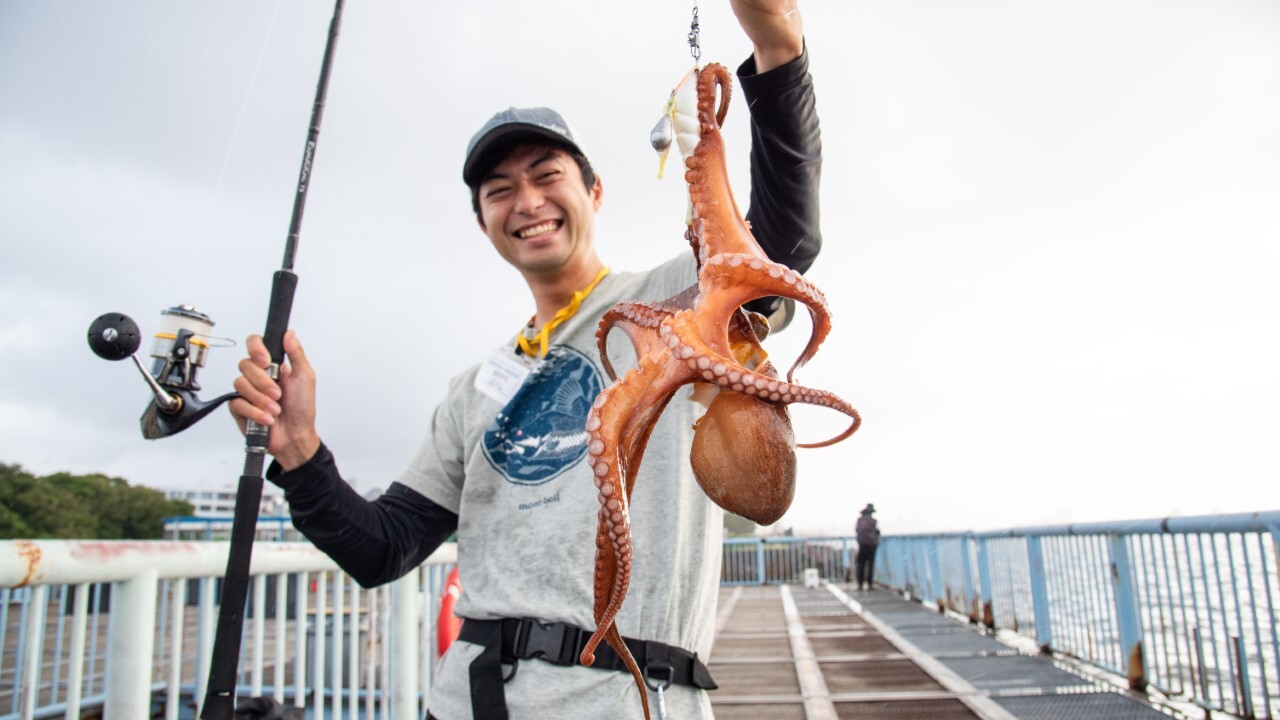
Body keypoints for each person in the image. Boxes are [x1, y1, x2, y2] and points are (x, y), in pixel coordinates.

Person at [230, 2, 822, 717]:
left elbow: (779, 246)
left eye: (547, 175)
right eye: (500, 191)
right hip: (464, 701)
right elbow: (382, 548)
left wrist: (778, 53)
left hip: (625, 699)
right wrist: (298, 452)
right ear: (483, 222)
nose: (527, 201)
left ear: (594, 190)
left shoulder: (678, 301)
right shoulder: (473, 390)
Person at [855, 503, 880, 590]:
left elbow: (856, 530)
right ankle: (870, 584)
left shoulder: (859, 520)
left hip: (862, 545)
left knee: (860, 565)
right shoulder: (874, 521)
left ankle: (860, 584)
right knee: (870, 565)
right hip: (872, 545)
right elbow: (878, 532)